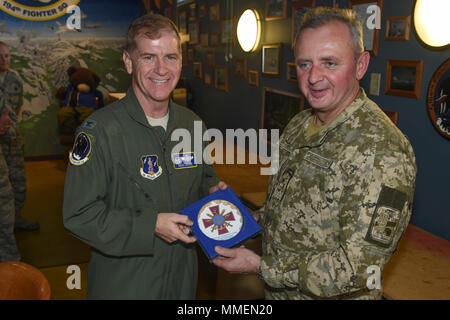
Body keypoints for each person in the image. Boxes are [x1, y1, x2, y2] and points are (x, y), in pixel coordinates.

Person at [213, 7, 417, 300]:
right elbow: (283, 210)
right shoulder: (299, 124)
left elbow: (357, 269)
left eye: (330, 63)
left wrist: (261, 267)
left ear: (361, 65)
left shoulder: (381, 151)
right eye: (304, 64)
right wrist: (241, 219)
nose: (314, 77)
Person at [62, 13, 225, 299]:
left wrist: (214, 197)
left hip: (182, 281)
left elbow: (204, 183)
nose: (161, 69)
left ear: (181, 62)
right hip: (125, 284)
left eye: (171, 57)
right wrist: (149, 225)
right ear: (128, 61)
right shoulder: (98, 132)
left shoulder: (193, 125)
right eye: (149, 57)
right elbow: (79, 216)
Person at [0, 41, 40, 233]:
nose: (4, 60)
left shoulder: (15, 79)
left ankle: (16, 219)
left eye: (7, 56)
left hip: (13, 140)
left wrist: (10, 125)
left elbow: (17, 106)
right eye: (0, 56)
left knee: (18, 182)